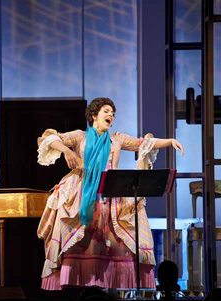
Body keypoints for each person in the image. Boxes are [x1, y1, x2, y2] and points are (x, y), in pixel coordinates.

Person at [37, 97, 184, 290]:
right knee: (82, 242)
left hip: (110, 193)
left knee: (116, 242)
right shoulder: (80, 136)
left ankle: (110, 289)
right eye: (106, 111)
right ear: (93, 115)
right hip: (83, 194)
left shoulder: (116, 138)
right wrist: (68, 151)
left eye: (112, 113)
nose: (110, 115)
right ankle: (81, 288)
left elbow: (143, 143)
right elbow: (49, 139)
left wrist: (170, 141)